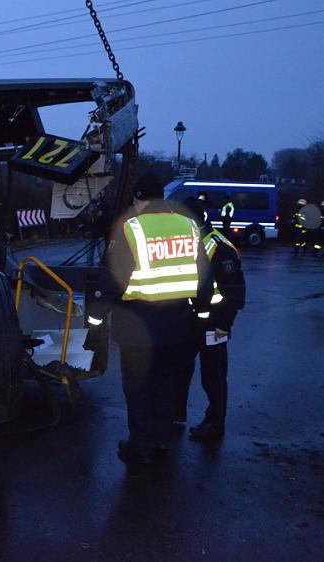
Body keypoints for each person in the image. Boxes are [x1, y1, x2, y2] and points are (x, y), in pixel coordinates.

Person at [88, 175, 213, 466]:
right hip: (178, 324)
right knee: (166, 383)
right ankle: (161, 441)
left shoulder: (131, 230)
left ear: (140, 200)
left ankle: (140, 446)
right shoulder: (188, 226)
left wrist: (95, 321)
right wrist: (202, 316)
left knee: (138, 386)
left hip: (139, 325)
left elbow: (111, 281)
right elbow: (205, 279)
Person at [174, 197, 246, 440]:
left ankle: (215, 423)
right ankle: (176, 414)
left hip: (214, 323)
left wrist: (224, 326)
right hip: (191, 321)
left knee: (212, 375)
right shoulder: (190, 242)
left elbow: (235, 291)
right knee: (181, 368)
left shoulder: (218, 247)